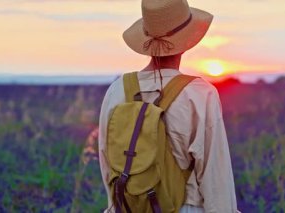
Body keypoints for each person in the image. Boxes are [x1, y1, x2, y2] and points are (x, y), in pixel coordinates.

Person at [98, 0, 238, 212]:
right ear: (187, 39)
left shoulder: (116, 90)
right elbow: (215, 177)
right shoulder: (199, 94)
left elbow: (107, 165)